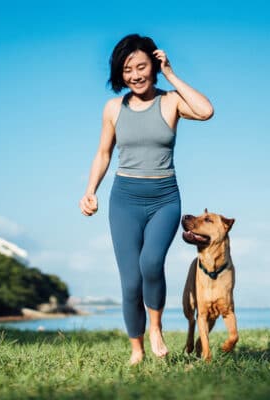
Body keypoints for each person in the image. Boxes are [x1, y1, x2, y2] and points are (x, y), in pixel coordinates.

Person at [79, 34, 214, 365]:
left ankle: (156, 328)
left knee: (151, 263)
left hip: (164, 199)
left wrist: (171, 73)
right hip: (124, 199)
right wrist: (90, 191)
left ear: (153, 65)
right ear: (119, 73)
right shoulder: (114, 108)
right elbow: (103, 153)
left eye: (141, 66)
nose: (135, 75)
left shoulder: (171, 102)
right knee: (130, 282)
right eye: (127, 69)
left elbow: (206, 110)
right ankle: (136, 350)